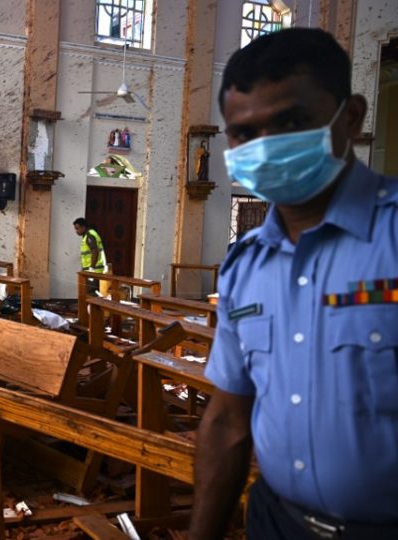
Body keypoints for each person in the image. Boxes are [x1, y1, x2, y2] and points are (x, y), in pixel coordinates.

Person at [189, 28, 397, 539]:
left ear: (350, 117)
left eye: (291, 122)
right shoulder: (246, 265)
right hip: (276, 522)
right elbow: (227, 422)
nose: (267, 147)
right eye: (244, 133)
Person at [73, 217, 107, 294]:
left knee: (91, 293)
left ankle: (93, 306)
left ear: (83, 227)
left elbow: (95, 251)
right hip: (94, 269)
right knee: (93, 292)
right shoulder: (89, 234)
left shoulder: (89, 236)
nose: (76, 231)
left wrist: (91, 268)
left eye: (77, 228)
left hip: (93, 270)